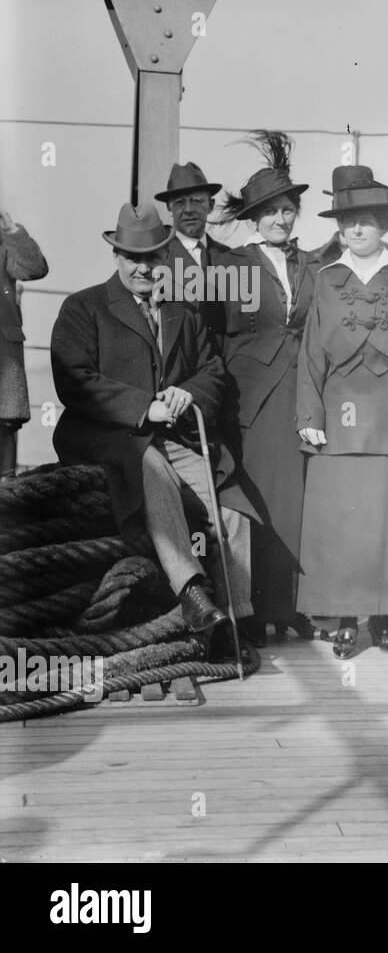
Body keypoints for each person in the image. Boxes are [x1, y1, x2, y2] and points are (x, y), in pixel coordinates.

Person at [50, 204, 256, 663]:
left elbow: (213, 370)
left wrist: (187, 391)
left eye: (151, 257)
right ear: (116, 256)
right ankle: (194, 594)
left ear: (165, 256)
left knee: (231, 504)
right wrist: (144, 406)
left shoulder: (183, 308)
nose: (142, 267)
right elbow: (74, 380)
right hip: (109, 434)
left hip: (175, 435)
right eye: (131, 257)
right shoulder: (84, 307)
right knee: (153, 468)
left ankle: (238, 622)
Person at [296, 167, 388, 659]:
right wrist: (309, 415)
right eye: (349, 223)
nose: (357, 230)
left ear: (385, 225)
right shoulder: (326, 278)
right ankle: (341, 620)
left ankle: (384, 621)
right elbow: (311, 352)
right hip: (340, 415)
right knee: (341, 523)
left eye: (368, 222)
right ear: (339, 230)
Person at [210, 130, 318, 646]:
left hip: (300, 393)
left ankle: (289, 608)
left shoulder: (309, 264)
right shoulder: (230, 267)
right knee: (256, 502)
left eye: (287, 210)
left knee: (293, 501)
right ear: (253, 218)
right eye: (270, 212)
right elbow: (211, 331)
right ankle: (251, 611)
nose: (280, 219)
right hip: (250, 399)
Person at [155, 161, 232, 336]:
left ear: (211, 205)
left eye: (197, 201)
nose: (188, 210)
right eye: (180, 202)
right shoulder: (157, 258)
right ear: (169, 207)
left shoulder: (228, 256)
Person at [0, 208, 48, 480]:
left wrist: (12, 230)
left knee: (4, 482)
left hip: (2, 383)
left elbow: (35, 268)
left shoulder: (4, 241)